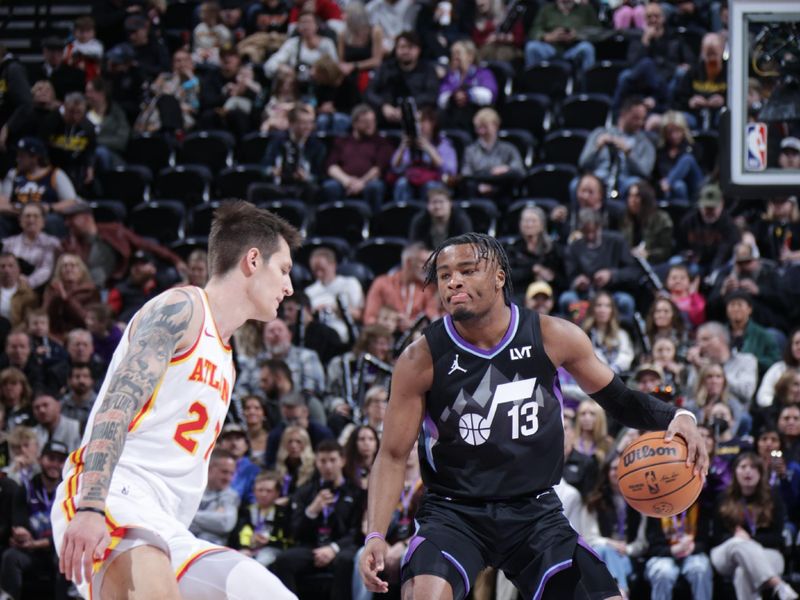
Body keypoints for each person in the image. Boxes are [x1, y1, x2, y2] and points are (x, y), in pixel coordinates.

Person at [358, 232, 706, 600]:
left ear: (499, 277)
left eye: (467, 270)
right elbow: (393, 454)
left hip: (535, 510)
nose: (453, 281)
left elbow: (620, 400)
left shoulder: (552, 335)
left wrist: (679, 415)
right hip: (453, 512)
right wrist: (376, 534)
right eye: (444, 275)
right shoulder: (420, 359)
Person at [52, 201, 301, 600]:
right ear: (253, 259)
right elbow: (116, 406)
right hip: (115, 497)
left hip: (168, 525)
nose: (289, 287)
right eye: (284, 270)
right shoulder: (182, 308)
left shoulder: (227, 357)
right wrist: (91, 506)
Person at [269, 439, 365, 599]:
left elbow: (357, 531)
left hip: (341, 547)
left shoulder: (356, 492)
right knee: (283, 560)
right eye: (323, 461)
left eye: (332, 460)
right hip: (312, 547)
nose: (328, 466)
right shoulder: (305, 492)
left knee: (345, 560)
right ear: (316, 462)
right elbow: (295, 532)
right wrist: (312, 510)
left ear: (342, 461)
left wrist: (333, 548)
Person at [710, 453, 798, 600]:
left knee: (742, 573)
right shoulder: (723, 498)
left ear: (760, 473)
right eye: (743, 467)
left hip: (767, 553)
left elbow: (777, 538)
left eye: (753, 467)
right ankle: (777, 584)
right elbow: (717, 537)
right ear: (734, 471)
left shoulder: (772, 497)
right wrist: (737, 538)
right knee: (738, 544)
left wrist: (749, 538)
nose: (748, 471)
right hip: (726, 554)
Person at [0, 440, 67, 600]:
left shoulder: (69, 492)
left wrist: (39, 543)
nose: (55, 464)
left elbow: (67, 532)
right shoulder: (26, 489)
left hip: (56, 551)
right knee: (10, 556)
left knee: (63, 557)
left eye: (60, 460)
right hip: (31, 554)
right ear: (40, 460)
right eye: (51, 458)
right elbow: (19, 525)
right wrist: (21, 534)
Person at [578, 96, 655, 202]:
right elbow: (583, 163)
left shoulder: (646, 143)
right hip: (600, 177)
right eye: (636, 118)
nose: (640, 123)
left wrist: (629, 154)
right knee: (577, 185)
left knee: (636, 188)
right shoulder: (600, 133)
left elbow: (645, 172)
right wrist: (597, 148)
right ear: (623, 114)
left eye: (643, 119)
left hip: (626, 181)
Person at [363, 241, 440, 332]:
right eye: (423, 263)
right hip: (384, 337)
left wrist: (413, 325)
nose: (428, 268)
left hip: (415, 338)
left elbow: (434, 321)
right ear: (408, 263)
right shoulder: (382, 283)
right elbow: (369, 319)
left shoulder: (428, 289)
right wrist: (390, 322)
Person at [524, 0, 599, 72]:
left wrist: (577, 35)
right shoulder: (546, 9)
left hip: (575, 47)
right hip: (550, 48)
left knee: (587, 48)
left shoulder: (586, 9)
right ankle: (534, 82)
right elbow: (534, 30)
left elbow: (598, 31)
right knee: (532, 47)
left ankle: (587, 83)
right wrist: (547, 36)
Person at [1, 203, 62, 291]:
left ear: (43, 222)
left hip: (41, 290)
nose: (31, 220)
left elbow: (47, 269)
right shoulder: (8, 243)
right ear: (20, 221)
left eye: (36, 216)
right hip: (10, 288)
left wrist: (28, 282)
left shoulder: (52, 243)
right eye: (27, 216)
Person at [189, 449, 240, 546]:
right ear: (209, 468)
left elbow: (226, 523)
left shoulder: (230, 495)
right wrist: (210, 518)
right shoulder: (192, 487)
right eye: (224, 472)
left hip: (209, 547)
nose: (228, 478)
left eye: (232, 474)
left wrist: (191, 515)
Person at [409, 185, 473, 251]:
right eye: (434, 202)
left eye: (441, 202)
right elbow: (415, 246)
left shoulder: (461, 220)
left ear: (450, 203)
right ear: (428, 205)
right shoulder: (420, 220)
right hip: (427, 258)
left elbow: (466, 247)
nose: (437, 206)